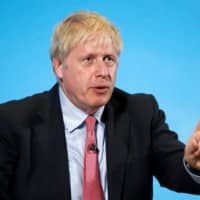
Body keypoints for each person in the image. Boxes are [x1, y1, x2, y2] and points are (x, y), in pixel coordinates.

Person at [0, 11, 200, 200]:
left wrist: (193, 165)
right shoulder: (13, 121)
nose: (103, 72)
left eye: (109, 59)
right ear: (59, 66)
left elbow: (177, 170)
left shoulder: (141, 112)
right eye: (89, 59)